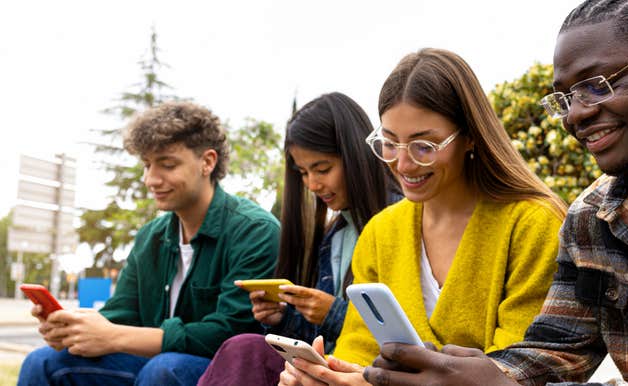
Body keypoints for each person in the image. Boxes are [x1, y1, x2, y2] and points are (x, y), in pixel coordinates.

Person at [361, 1, 628, 385]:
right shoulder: (592, 216)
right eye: (566, 96)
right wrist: (475, 373)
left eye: (597, 86)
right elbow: (558, 348)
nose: (576, 113)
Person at [278, 48, 568, 386]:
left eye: (424, 147)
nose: (402, 165)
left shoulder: (533, 224)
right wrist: (327, 376)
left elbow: (521, 369)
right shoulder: (381, 232)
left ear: (470, 136)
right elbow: (358, 348)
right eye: (389, 143)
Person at [18, 101, 281, 386]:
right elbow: (123, 311)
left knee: (165, 369)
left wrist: (115, 336)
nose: (151, 179)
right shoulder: (151, 236)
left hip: (225, 372)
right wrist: (74, 328)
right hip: (155, 366)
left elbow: (228, 333)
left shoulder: (255, 231)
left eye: (167, 165)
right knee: (42, 362)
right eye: (146, 165)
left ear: (208, 162)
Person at [197, 92, 399, 386]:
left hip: (367, 374)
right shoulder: (336, 233)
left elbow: (404, 337)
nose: (313, 184)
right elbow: (317, 341)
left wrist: (333, 313)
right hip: (326, 367)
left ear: (356, 155)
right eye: (303, 172)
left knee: (238, 352)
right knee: (244, 348)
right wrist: (282, 319)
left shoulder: (401, 221)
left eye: (323, 169)